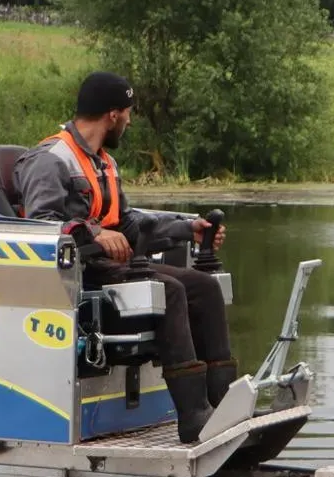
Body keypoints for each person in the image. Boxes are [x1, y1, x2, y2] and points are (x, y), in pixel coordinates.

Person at [13, 71, 235, 444]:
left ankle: (224, 404)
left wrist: (187, 228)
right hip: (79, 275)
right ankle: (194, 416)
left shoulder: (105, 164)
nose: (130, 122)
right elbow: (41, 226)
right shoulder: (50, 160)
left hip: (112, 267)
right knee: (171, 292)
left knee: (204, 288)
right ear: (112, 115)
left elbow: (129, 224)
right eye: (128, 113)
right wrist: (96, 232)